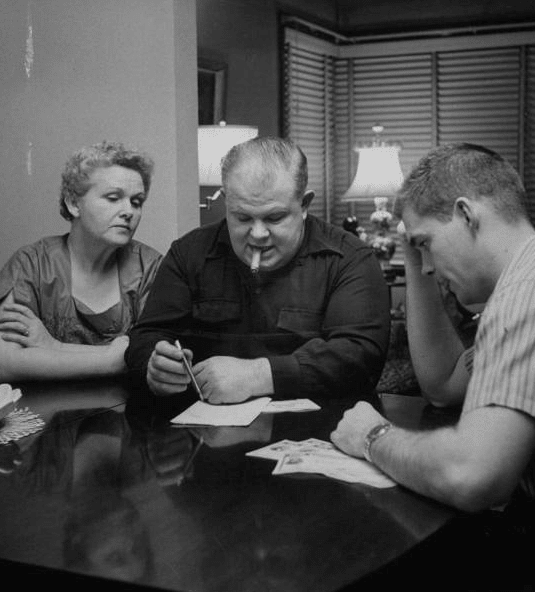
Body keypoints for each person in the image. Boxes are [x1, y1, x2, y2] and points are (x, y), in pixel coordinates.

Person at [331, 142, 535, 512]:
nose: (427, 265)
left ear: (466, 215)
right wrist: (411, 250)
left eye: (426, 244)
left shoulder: (522, 297)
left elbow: (471, 475)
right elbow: (444, 386)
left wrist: (372, 437)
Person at [125, 136, 390, 404]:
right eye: (242, 218)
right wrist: (154, 365)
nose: (258, 234)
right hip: (205, 434)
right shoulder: (189, 254)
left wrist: (259, 375)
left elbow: (360, 356)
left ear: (305, 205)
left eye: (275, 218)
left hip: (322, 431)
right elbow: (146, 336)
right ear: (227, 203)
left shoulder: (350, 258)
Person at [0, 141, 162, 382]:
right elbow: (7, 363)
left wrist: (53, 346)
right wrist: (113, 359)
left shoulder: (149, 266)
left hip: (129, 413)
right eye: (113, 198)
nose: (128, 211)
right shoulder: (32, 264)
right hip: (44, 414)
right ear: (74, 203)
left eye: (136, 201)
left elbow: (153, 358)